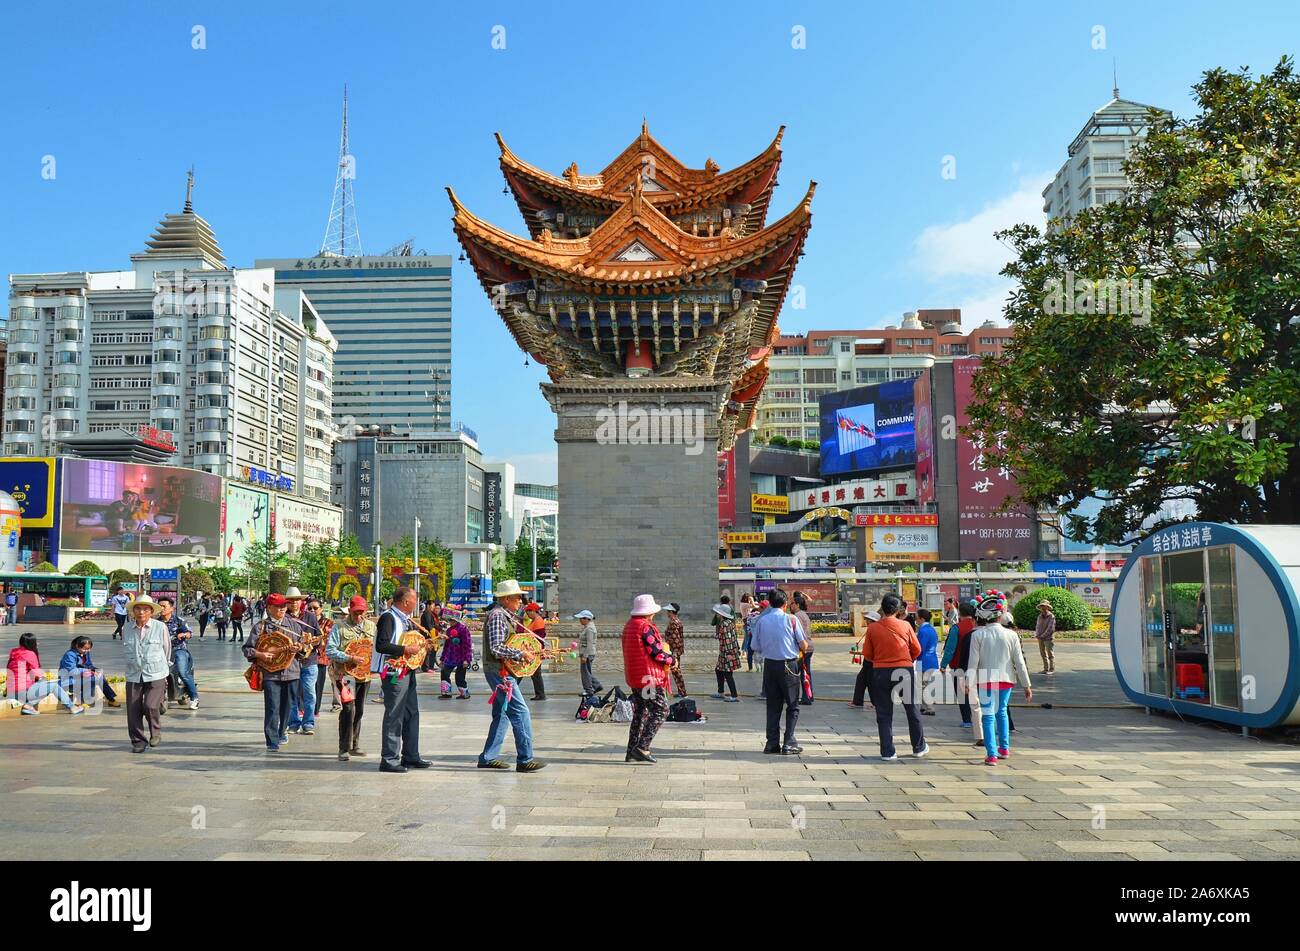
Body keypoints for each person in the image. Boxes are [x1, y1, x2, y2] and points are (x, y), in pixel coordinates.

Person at [477, 579, 546, 772]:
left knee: (502, 714)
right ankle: (525, 759)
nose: (521, 602)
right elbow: (496, 648)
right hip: (499, 672)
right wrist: (521, 654)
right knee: (520, 711)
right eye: (517, 598)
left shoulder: (506, 616)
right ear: (506, 599)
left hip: (504, 670)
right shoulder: (498, 616)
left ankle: (488, 757)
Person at [967, 591, 1033, 766]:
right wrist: (1026, 685)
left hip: (985, 680)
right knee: (1002, 712)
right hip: (1006, 680)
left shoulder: (977, 635)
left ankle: (992, 754)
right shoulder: (1011, 635)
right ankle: (1004, 748)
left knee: (988, 716)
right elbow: (1019, 662)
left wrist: (968, 683)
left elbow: (973, 663)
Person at [863, 593, 928, 762]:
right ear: (898, 610)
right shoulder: (906, 626)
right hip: (903, 670)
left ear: (882, 608)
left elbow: (868, 655)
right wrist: (907, 659)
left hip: (880, 672)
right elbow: (917, 649)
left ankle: (888, 751)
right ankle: (918, 746)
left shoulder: (873, 628)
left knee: (884, 712)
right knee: (912, 708)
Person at [374, 586, 431, 773]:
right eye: (415, 600)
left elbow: (409, 641)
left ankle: (411, 755)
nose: (417, 603)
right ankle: (389, 759)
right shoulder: (388, 617)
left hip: (408, 670)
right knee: (394, 714)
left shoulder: (404, 619)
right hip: (393, 673)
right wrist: (405, 650)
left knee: (411, 713)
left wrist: (423, 646)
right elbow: (382, 645)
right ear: (406, 602)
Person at [244, 593, 307, 752]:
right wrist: (260, 654)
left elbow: (304, 650)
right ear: (269, 608)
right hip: (271, 674)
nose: (283, 609)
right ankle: (271, 740)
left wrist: (300, 648)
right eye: (279, 606)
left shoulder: (294, 626)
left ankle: (281, 732)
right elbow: (247, 649)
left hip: (292, 672)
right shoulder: (260, 627)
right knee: (272, 707)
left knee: (287, 706)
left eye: (284, 606)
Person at [749, 590, 807, 755]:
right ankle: (789, 742)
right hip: (788, 666)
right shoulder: (791, 619)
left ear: (770, 602)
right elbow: (804, 645)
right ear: (785, 604)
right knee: (793, 705)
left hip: (770, 666)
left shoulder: (762, 620)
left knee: (773, 706)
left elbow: (755, 646)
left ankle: (771, 743)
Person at [622, 594, 675, 764]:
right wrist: (672, 660)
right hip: (648, 677)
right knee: (661, 710)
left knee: (641, 712)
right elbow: (657, 653)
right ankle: (642, 747)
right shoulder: (645, 627)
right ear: (649, 612)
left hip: (636, 676)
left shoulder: (629, 625)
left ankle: (631, 750)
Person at [326, 595, 374, 762]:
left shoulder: (371, 626)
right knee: (348, 709)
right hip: (346, 676)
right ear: (350, 611)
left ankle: (355, 744)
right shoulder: (339, 627)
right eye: (356, 613)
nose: (359, 616)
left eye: (362, 613)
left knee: (359, 709)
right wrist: (349, 658)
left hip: (365, 676)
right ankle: (343, 747)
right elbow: (330, 651)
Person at [122, 594, 172, 750]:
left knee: (150, 705)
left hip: (156, 672)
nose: (141, 612)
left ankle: (155, 732)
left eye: (145, 609)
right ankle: (138, 741)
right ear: (133, 611)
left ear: (151, 611)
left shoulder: (160, 627)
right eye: (138, 609)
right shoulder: (127, 628)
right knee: (133, 709)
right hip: (134, 673)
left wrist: (164, 669)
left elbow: (166, 649)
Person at [8, 632, 84, 716]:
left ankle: (29, 705)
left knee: (44, 684)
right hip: (22, 691)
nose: (38, 643)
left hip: (11, 691)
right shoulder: (29, 654)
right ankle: (72, 707)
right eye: (36, 641)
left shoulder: (14, 652)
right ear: (31, 643)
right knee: (53, 686)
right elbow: (38, 673)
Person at [158, 597, 198, 710]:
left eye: (164, 606)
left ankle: (194, 698)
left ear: (171, 608)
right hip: (161, 651)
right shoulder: (156, 622)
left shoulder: (179, 620)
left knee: (182, 672)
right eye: (159, 606)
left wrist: (184, 635)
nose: (161, 609)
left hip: (178, 649)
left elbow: (189, 632)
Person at [60, 635, 119, 707]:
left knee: (100, 676)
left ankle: (111, 699)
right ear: (77, 646)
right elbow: (72, 671)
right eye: (85, 649)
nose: (88, 651)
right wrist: (86, 671)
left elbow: (89, 665)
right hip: (69, 680)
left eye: (89, 648)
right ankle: (81, 701)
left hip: (81, 677)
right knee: (92, 678)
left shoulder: (85, 653)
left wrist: (94, 670)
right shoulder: (69, 655)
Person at [948, 600, 979, 728]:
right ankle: (980, 719)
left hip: (959, 665)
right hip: (978, 666)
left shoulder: (957, 628)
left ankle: (967, 720)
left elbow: (950, 648)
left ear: (960, 613)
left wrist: (944, 664)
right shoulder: (978, 626)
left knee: (962, 693)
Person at [438, 604, 474, 699]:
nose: (450, 622)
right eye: (449, 620)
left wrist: (467, 659)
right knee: (444, 672)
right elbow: (446, 646)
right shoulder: (449, 630)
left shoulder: (463, 629)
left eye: (452, 620)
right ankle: (446, 693)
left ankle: (464, 693)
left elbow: (467, 645)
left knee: (459, 677)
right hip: (450, 657)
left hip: (461, 657)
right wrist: (442, 659)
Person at [710, 603, 741, 702]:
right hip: (726, 651)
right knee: (719, 670)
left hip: (727, 652)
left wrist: (729, 654)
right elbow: (732, 637)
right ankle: (721, 692)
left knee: (728, 674)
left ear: (721, 614)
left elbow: (728, 639)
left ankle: (734, 695)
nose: (717, 615)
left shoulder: (724, 624)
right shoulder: (730, 623)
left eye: (718, 613)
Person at [849, 610, 880, 709]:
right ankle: (857, 701)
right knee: (861, 679)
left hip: (872, 660)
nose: (866, 621)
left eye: (868, 620)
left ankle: (876, 703)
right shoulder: (871, 628)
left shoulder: (874, 628)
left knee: (870, 682)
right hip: (868, 659)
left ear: (872, 620)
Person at [573, 609, 603, 697]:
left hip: (587, 653)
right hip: (587, 653)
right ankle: (597, 686)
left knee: (585, 672)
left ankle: (588, 690)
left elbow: (589, 644)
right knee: (587, 671)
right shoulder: (588, 627)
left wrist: (585, 656)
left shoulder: (589, 629)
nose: (580, 620)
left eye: (581, 618)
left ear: (586, 619)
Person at [791, 591, 814, 704]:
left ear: (797, 605)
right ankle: (809, 695)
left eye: (793, 603)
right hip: (809, 646)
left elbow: (797, 633)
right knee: (806, 672)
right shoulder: (804, 614)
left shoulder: (797, 616)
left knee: (799, 673)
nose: (791, 605)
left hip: (803, 648)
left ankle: (805, 698)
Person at [916, 608, 940, 716]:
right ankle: (924, 706)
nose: (916, 620)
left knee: (923, 685)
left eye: (917, 618)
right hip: (931, 660)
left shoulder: (923, 631)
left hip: (924, 660)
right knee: (923, 684)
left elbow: (920, 648)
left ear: (921, 618)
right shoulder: (931, 629)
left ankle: (929, 707)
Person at [523, 602, 548, 701]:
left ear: (534, 611)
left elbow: (539, 638)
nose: (527, 614)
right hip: (532, 650)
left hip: (536, 651)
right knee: (534, 673)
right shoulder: (534, 621)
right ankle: (540, 694)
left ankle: (541, 694)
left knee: (536, 673)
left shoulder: (538, 621)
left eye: (529, 612)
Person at [663, 602, 687, 697]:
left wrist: (674, 653)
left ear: (671, 612)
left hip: (674, 650)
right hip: (676, 649)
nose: (667, 613)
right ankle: (681, 691)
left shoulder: (673, 622)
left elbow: (675, 638)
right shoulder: (677, 620)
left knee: (676, 671)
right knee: (676, 671)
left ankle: (683, 692)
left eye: (668, 611)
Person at [1034, 600, 1057, 674]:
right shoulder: (1039, 616)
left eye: (1044, 606)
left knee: (1050, 653)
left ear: (1047, 607)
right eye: (1041, 606)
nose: (1042, 608)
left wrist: (1042, 636)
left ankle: (1051, 669)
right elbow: (1037, 626)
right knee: (1043, 654)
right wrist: (1037, 634)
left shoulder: (1051, 616)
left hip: (1048, 638)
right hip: (1040, 637)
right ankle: (1045, 669)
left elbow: (1050, 629)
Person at [739, 593, 756, 670]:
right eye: (749, 599)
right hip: (747, 621)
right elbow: (753, 606)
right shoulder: (744, 604)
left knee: (746, 637)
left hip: (748, 621)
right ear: (746, 599)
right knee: (748, 637)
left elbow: (755, 604)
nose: (750, 600)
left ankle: (743, 652)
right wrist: (752, 600)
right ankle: (744, 652)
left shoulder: (744, 604)